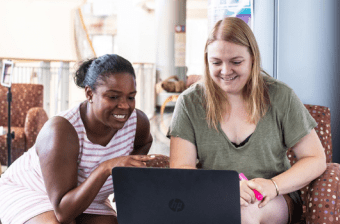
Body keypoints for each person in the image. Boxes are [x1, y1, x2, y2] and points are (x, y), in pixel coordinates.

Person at [168, 17, 326, 224]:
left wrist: (273, 185)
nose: (225, 71)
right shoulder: (189, 102)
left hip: (274, 196)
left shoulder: (280, 96)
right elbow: (181, 169)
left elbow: (315, 158)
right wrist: (224, 187)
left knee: (242, 213)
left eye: (236, 62)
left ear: (253, 58)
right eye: (216, 62)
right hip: (212, 195)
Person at [0, 54, 154, 224]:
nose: (124, 105)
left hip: (87, 197)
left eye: (130, 97)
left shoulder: (137, 122)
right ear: (89, 94)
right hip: (30, 191)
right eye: (113, 97)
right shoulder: (61, 131)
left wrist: (126, 179)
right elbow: (63, 214)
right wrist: (106, 168)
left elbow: (145, 142)